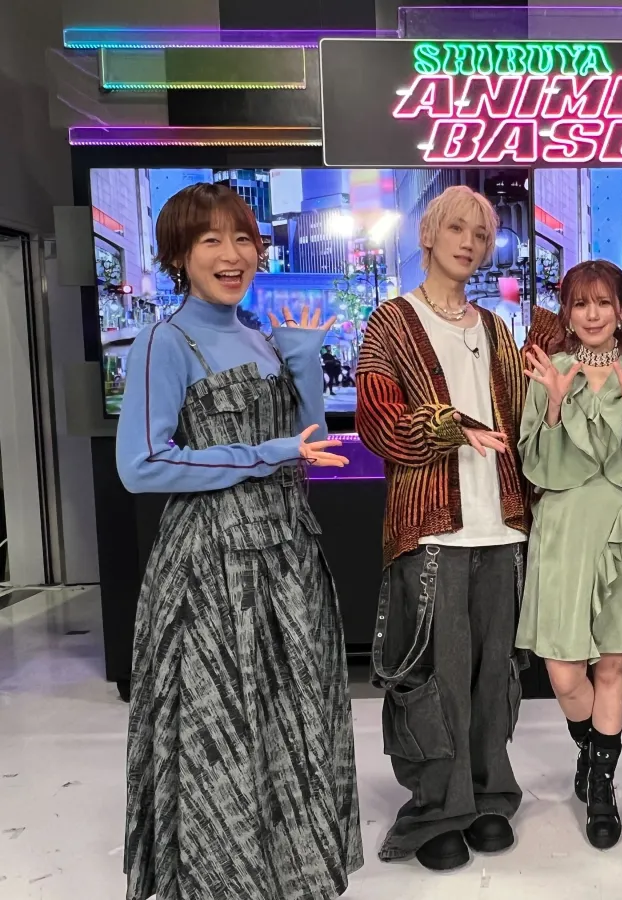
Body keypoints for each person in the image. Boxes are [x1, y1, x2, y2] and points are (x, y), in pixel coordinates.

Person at [116, 183, 363, 900]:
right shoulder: (165, 340)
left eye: (243, 239)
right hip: (212, 568)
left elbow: (307, 446)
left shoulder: (259, 333)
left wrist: (304, 361)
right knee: (219, 731)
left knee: (293, 718)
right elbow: (141, 465)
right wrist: (263, 453)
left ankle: (291, 874)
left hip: (289, 557)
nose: (232, 255)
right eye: (210, 241)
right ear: (178, 257)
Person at [355, 185, 558, 872]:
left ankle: (489, 793)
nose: (470, 243)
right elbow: (378, 422)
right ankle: (438, 806)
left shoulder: (496, 327)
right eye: (457, 229)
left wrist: (554, 390)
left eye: (482, 234)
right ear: (428, 235)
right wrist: (450, 427)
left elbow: (523, 423)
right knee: (432, 675)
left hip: (501, 528)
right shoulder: (391, 322)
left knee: (494, 672)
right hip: (431, 528)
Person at [518, 260, 622, 850]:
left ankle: (602, 787)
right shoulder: (548, 372)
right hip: (562, 534)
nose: (592, 314)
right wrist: (554, 408)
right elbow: (537, 466)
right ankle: (589, 748)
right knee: (564, 676)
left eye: (604, 302)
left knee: (611, 667)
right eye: (581, 303)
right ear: (567, 312)